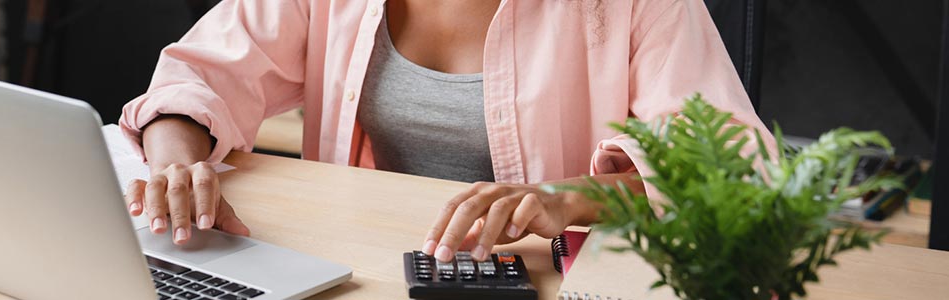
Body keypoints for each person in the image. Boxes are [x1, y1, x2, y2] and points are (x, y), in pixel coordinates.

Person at [118, 0, 773, 263]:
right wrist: (177, 165)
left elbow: (733, 171)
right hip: (369, 271)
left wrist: (565, 199)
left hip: (544, 284)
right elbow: (201, 76)